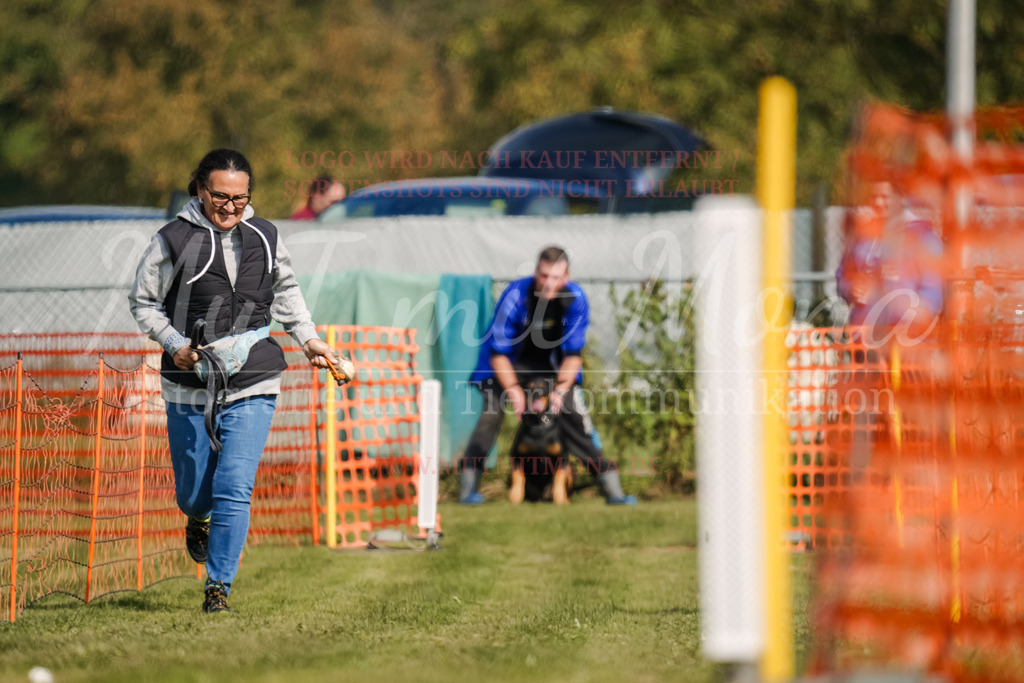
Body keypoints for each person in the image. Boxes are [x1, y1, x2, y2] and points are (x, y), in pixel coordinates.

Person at [129, 148, 343, 613]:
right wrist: (173, 344)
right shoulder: (171, 239)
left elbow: (286, 291)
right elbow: (143, 303)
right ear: (201, 190)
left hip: (255, 375)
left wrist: (310, 341)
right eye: (220, 197)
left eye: (240, 199)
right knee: (194, 493)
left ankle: (217, 587)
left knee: (235, 485)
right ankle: (197, 517)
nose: (230, 207)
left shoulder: (265, 236)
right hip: (189, 381)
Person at [458, 246, 637, 506]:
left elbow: (573, 355)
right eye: (543, 276)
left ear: (567, 277)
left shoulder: (575, 299)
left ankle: (613, 491)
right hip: (507, 362)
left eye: (555, 277)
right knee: (491, 413)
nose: (548, 283)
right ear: (536, 273)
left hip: (550, 368)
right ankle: (468, 489)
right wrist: (515, 392)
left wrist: (561, 391)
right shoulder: (515, 296)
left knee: (574, 414)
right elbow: (498, 353)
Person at [835, 179, 943, 342]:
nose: (878, 202)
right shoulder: (862, 236)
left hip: (907, 342)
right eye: (873, 196)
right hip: (864, 339)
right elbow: (843, 276)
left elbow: (933, 293)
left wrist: (911, 323)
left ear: (902, 197)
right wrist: (851, 289)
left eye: (885, 197)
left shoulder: (923, 236)